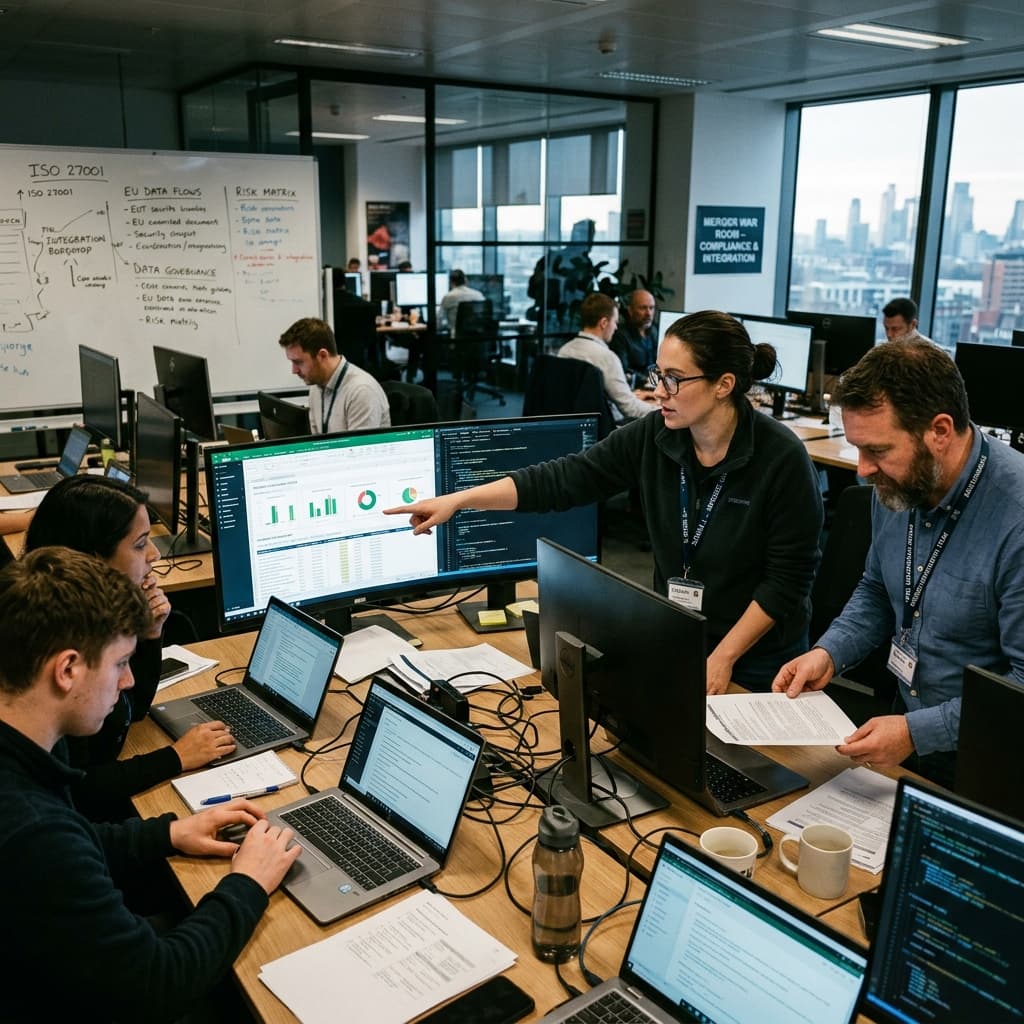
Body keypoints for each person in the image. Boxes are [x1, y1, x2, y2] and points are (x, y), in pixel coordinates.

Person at [386, 310, 823, 692]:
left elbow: (788, 580)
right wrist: (461, 500)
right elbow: (563, 479)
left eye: (674, 379)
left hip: (759, 656)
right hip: (681, 633)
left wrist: (725, 656)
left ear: (723, 384)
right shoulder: (656, 435)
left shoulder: (780, 458)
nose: (659, 391)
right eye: (657, 374)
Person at [0, 546, 300, 1021]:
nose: (127, 682)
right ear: (68, 669)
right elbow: (159, 983)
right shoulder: (31, 830)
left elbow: (72, 840)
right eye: (120, 663)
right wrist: (248, 882)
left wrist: (168, 832)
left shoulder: (26, 752)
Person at [772, 339, 1024, 784]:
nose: (862, 470)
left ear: (940, 431)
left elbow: (1019, 687)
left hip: (989, 756)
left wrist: (916, 732)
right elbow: (877, 589)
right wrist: (829, 653)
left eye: (877, 451)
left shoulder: (1015, 519)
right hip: (902, 723)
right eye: (857, 449)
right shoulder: (898, 485)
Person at [24, 475, 234, 820]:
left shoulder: (94, 622)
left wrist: (150, 634)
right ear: (93, 558)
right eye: (139, 544)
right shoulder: (62, 643)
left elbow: (129, 712)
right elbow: (78, 788)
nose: (154, 555)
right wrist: (174, 758)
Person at [279, 316, 390, 434]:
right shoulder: (316, 385)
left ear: (322, 356)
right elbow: (315, 438)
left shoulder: (361, 392)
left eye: (298, 362)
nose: (294, 370)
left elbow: (360, 446)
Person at [558, 292, 657, 423]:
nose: (616, 327)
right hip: (610, 425)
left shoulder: (564, 350)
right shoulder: (607, 357)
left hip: (573, 423)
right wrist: (660, 409)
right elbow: (630, 409)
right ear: (604, 323)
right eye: (614, 322)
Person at [611, 288, 659, 378]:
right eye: (643, 308)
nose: (648, 313)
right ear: (630, 310)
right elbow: (623, 370)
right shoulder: (620, 335)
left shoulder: (654, 331)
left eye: (651, 308)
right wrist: (646, 380)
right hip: (635, 384)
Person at [439, 269, 485, 335]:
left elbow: (439, 319)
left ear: (451, 282)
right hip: (478, 337)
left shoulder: (448, 297)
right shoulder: (478, 295)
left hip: (457, 337)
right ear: (465, 280)